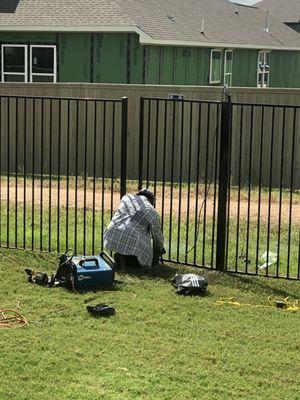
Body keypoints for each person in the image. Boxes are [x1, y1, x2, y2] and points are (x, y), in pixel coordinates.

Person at [103, 189, 165, 268]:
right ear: (152, 200)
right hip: (133, 239)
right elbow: (157, 236)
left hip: (111, 235)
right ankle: (126, 260)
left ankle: (121, 257)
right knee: (148, 261)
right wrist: (159, 250)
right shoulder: (152, 211)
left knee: (129, 241)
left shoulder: (126, 198)